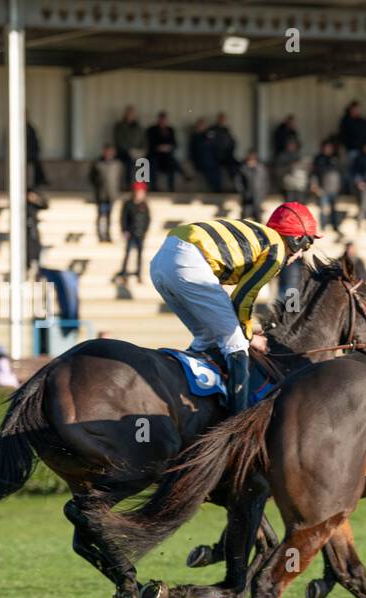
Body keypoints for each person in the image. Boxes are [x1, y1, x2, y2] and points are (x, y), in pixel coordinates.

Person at [150, 201, 319, 414]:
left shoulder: (263, 236)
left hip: (161, 261)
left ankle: (193, 400)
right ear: (296, 239)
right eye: (307, 244)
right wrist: (249, 336)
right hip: (188, 260)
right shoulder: (276, 252)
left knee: (206, 337)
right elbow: (242, 297)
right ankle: (235, 421)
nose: (302, 254)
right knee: (236, 342)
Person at [89, 145, 123, 242]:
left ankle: (108, 234)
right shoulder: (98, 163)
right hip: (101, 195)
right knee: (101, 215)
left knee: (109, 216)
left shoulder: (117, 164)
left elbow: (120, 178)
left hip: (112, 194)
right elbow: (91, 177)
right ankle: (100, 235)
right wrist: (98, 185)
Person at [117, 182, 150, 282]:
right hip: (131, 232)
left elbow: (147, 219)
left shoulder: (144, 205)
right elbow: (123, 218)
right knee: (128, 253)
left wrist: (144, 231)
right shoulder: (128, 204)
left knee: (140, 254)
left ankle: (138, 273)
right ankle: (124, 272)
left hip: (140, 233)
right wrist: (124, 230)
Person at [145, 112, 179, 192]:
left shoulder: (170, 130)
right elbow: (150, 143)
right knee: (152, 164)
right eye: (161, 120)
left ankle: (171, 187)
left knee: (172, 163)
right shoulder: (152, 130)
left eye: (164, 120)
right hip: (154, 154)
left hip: (166, 156)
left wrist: (168, 147)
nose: (163, 121)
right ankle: (154, 187)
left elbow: (174, 144)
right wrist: (159, 147)